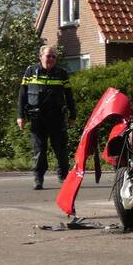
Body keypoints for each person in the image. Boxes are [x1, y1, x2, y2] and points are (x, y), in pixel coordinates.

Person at [17, 45, 76, 190]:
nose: (50, 59)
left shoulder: (61, 73)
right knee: (39, 151)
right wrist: (20, 116)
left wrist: (72, 115)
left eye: (53, 56)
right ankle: (38, 180)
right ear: (40, 57)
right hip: (37, 118)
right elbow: (22, 95)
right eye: (48, 56)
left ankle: (63, 177)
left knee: (61, 150)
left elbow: (69, 96)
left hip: (57, 118)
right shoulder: (31, 71)